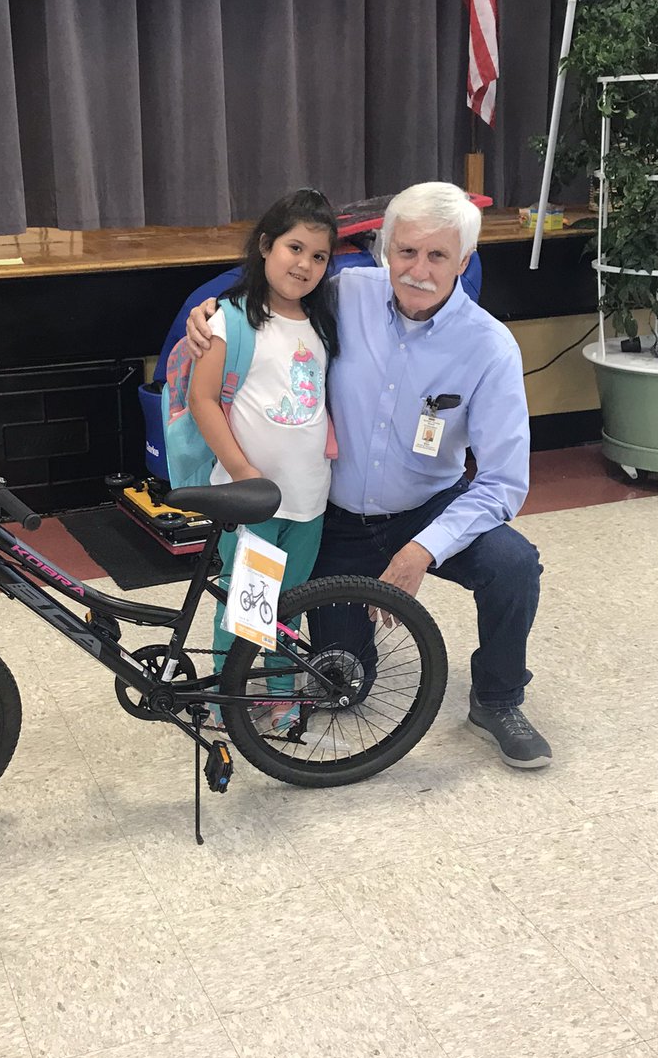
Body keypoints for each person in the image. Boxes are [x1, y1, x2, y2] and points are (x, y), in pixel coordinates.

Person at [186, 181, 549, 768]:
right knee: (342, 686)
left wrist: (422, 552)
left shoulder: (491, 348)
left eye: (437, 256)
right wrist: (208, 316)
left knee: (513, 565)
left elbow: (504, 483)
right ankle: (246, 682)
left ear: (464, 260)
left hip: (427, 508)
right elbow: (272, 286)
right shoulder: (344, 292)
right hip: (332, 516)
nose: (419, 270)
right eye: (406, 251)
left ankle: (498, 697)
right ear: (385, 248)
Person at [188, 187, 339, 730]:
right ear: (266, 246)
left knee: (289, 605)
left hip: (308, 497)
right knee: (247, 602)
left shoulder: (323, 322)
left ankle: (281, 690)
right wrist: (244, 475)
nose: (305, 264)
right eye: (295, 248)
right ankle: (230, 694)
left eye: (319, 256)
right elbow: (201, 400)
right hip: (251, 500)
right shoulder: (230, 319)